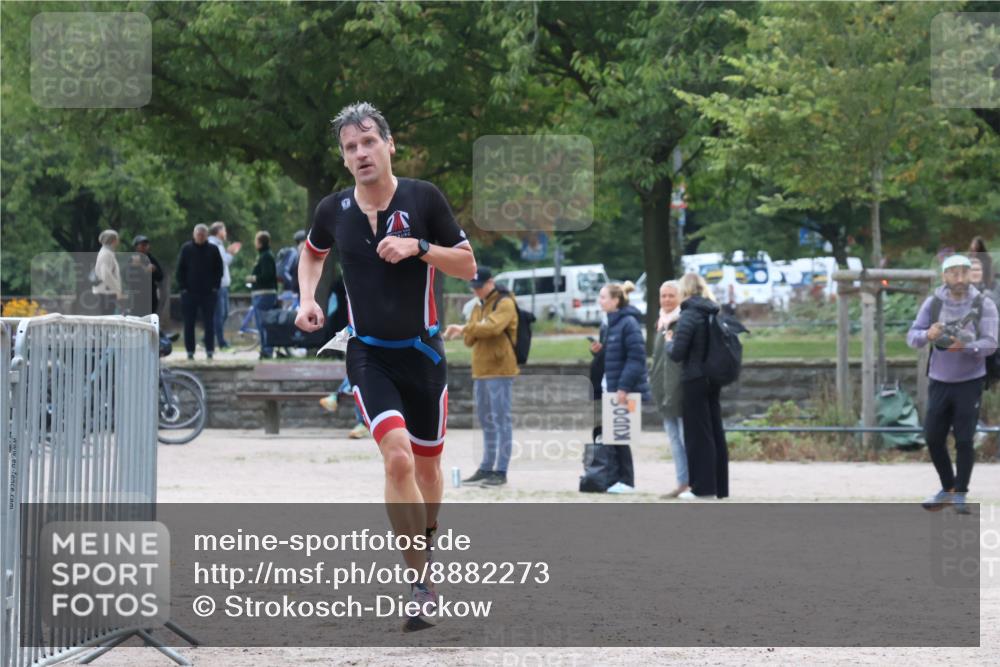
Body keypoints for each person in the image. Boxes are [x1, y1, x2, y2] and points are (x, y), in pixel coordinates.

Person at [294, 101, 476, 631]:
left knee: (428, 470)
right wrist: (307, 298)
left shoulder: (424, 198)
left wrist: (420, 246)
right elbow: (313, 253)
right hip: (368, 353)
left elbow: (467, 265)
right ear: (344, 157)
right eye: (350, 147)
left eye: (369, 141)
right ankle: (420, 584)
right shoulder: (332, 210)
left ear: (389, 144)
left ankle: (425, 545)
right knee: (397, 459)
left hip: (423, 354)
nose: (361, 153)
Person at [907, 254, 998, 514]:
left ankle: (960, 493)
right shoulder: (933, 303)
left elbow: (991, 343)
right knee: (933, 437)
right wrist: (928, 334)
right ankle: (948, 488)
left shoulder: (984, 304)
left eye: (964, 273)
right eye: (954, 273)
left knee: (964, 440)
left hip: (970, 381)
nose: (959, 279)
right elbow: (912, 337)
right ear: (944, 276)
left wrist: (967, 346)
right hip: (939, 380)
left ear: (971, 275)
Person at [444, 267, 519, 488]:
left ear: (490, 282)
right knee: (486, 421)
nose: (476, 291)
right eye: (473, 287)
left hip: (500, 369)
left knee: (501, 420)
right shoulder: (477, 306)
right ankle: (486, 467)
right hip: (480, 370)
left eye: (479, 286)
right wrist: (472, 329)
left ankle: (501, 471)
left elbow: (493, 328)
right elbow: (470, 340)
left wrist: (466, 328)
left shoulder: (505, 303)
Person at [667, 272, 729, 499]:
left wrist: (668, 341)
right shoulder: (713, 311)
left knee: (697, 435)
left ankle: (702, 488)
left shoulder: (690, 314)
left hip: (694, 378)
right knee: (714, 432)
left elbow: (677, 353)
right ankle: (719, 486)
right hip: (713, 378)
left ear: (684, 290)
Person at [598, 281, 651, 494]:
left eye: (603, 297)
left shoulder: (628, 323)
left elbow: (636, 358)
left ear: (615, 300)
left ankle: (626, 481)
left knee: (620, 435)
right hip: (610, 385)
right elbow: (614, 354)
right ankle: (615, 479)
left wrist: (623, 387)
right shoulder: (610, 323)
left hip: (623, 388)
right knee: (613, 435)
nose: (600, 301)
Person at [650, 280, 688, 497]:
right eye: (663, 295)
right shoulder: (661, 323)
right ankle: (682, 483)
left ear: (680, 297)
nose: (666, 300)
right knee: (674, 441)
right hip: (662, 390)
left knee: (685, 439)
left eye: (671, 295)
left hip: (679, 390)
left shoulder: (682, 323)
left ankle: (693, 483)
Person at [175, 223, 223, 360]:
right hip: (190, 293)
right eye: (198, 235)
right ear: (194, 235)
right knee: (189, 323)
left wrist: (215, 287)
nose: (200, 237)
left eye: (203, 235)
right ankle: (190, 351)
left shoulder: (213, 249)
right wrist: (183, 288)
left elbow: (219, 270)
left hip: (208, 293)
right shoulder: (186, 249)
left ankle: (210, 350)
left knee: (209, 323)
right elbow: (180, 270)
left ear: (207, 236)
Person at [208, 222, 241, 349]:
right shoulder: (213, 244)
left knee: (224, 313)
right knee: (219, 314)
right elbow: (223, 262)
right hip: (219, 285)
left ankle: (209, 337)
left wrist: (228, 252)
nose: (225, 233)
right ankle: (221, 342)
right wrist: (231, 253)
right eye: (224, 230)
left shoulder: (219, 245)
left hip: (223, 285)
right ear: (218, 232)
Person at [248, 231, 279, 360]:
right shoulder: (263, 255)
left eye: (256, 241)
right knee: (261, 323)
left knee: (263, 323)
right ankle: (265, 349)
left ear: (260, 243)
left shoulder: (266, 256)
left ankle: (267, 350)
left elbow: (267, 275)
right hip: (261, 294)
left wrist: (253, 278)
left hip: (264, 294)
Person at [129, 235, 164, 317]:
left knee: (150, 318)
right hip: (137, 297)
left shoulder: (151, 259)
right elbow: (126, 278)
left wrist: (154, 270)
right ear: (136, 247)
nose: (145, 247)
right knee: (137, 319)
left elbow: (160, 277)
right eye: (142, 245)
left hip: (150, 296)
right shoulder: (132, 259)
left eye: (146, 245)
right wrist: (136, 268)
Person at [92, 229, 123, 315]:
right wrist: (117, 290)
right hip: (106, 292)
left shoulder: (107, 252)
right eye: (117, 239)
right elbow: (106, 275)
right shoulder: (106, 253)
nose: (118, 241)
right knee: (107, 316)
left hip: (107, 291)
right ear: (113, 240)